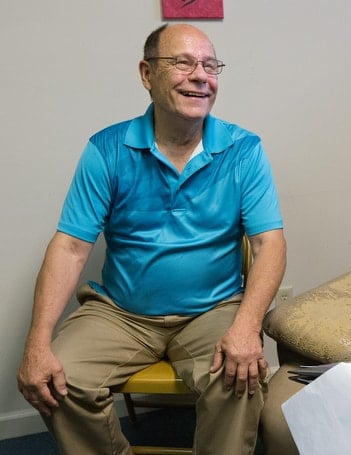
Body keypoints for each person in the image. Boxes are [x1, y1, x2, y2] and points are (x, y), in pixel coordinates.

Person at [16, 23, 286, 455]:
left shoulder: (243, 150)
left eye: (210, 65)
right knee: (57, 378)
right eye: (183, 62)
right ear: (147, 74)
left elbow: (270, 244)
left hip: (212, 308)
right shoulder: (106, 149)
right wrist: (37, 343)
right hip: (124, 313)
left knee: (240, 377)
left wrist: (247, 326)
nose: (201, 76)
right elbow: (70, 247)